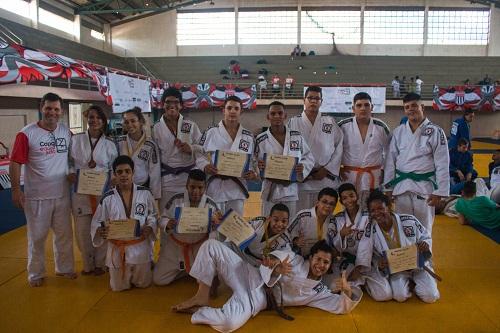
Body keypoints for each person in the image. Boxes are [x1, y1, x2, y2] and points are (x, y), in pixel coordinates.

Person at [171, 239, 361, 333]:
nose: (321, 265)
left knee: (228, 324)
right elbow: (273, 259)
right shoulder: (294, 259)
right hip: (246, 274)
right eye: (318, 259)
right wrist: (276, 268)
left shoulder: (319, 291)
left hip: (257, 298)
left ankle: (199, 312)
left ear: (329, 267)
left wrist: (347, 290)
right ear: (310, 258)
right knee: (211, 245)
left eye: (326, 263)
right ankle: (201, 294)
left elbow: (342, 306)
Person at [9, 92, 76, 287]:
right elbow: (15, 162)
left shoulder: (66, 132)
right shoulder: (27, 133)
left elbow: (72, 158)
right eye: (48, 108)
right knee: (37, 238)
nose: (52, 113)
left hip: (62, 194)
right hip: (37, 196)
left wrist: (72, 171)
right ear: (41, 108)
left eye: (56, 109)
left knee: (64, 236)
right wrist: (15, 190)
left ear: (61, 111)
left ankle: (64, 268)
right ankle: (35, 273)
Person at [384, 93, 449, 236]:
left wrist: (440, 192)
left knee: (424, 229)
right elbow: (390, 162)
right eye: (407, 107)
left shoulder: (436, 131)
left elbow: (442, 163)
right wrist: (388, 188)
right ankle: (406, 259)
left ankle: (425, 258)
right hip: (402, 186)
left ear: (422, 107)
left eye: (414, 105)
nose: (410, 109)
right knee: (403, 228)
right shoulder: (398, 132)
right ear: (404, 110)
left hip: (424, 187)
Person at [357, 190, 439, 303]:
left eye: (381, 208)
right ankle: (411, 283)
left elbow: (426, 237)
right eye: (373, 210)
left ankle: (421, 280)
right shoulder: (371, 231)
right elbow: (372, 256)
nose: (377, 213)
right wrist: (379, 265)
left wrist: (425, 245)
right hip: (397, 270)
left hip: (418, 265)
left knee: (431, 297)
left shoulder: (409, 220)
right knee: (400, 296)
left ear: (389, 207)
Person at [91, 155, 157, 292]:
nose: (124, 175)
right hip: (117, 248)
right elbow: (97, 221)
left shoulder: (145, 193)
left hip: (140, 247)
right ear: (114, 174)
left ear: (133, 173)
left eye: (127, 171)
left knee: (143, 283)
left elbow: (153, 215)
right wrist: (99, 230)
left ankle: (144, 267)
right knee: (118, 287)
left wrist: (150, 226)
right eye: (119, 172)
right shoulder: (108, 198)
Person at [68, 105, 118, 276]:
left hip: (102, 191)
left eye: (98, 117)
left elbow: (114, 168)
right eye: (91, 117)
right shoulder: (76, 140)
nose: (94, 120)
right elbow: (68, 163)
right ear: (86, 119)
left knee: (102, 226)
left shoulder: (110, 144)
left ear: (104, 121)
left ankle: (101, 263)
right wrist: (69, 174)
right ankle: (87, 263)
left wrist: (113, 180)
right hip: (81, 192)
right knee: (82, 228)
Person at [153, 169, 221, 286]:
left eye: (200, 188)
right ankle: (187, 271)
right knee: (159, 280)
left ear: (205, 188)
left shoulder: (211, 204)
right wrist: (167, 223)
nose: (196, 191)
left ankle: (191, 269)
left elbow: (218, 229)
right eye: (192, 187)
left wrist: (215, 226)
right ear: (186, 186)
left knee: (204, 283)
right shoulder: (175, 200)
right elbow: (161, 219)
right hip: (175, 249)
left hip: (198, 249)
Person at [197, 96, 258, 215]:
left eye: (236, 108)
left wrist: (253, 173)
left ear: (241, 111)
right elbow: (199, 154)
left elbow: (253, 161)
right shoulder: (211, 132)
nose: (233, 111)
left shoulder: (248, 136)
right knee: (214, 228)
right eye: (229, 108)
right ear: (223, 110)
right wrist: (205, 166)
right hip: (214, 188)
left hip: (237, 189)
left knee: (233, 229)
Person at [288, 86, 343, 211]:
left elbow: (339, 147)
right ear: (304, 100)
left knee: (324, 218)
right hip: (302, 179)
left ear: (321, 102)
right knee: (300, 217)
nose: (313, 101)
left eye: (317, 99)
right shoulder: (293, 122)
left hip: (324, 178)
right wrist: (297, 170)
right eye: (310, 98)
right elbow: (287, 149)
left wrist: (327, 169)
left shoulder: (329, 122)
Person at [256, 101, 314, 217]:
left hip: (290, 190)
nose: (277, 116)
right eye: (273, 113)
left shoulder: (296, 136)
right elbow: (254, 161)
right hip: (270, 190)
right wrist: (258, 167)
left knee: (289, 224)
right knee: (268, 224)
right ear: (268, 117)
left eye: (280, 113)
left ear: (285, 116)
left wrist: (302, 166)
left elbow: (309, 157)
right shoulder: (260, 139)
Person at [152, 87, 202, 212]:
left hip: (188, 179)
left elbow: (203, 147)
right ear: (163, 105)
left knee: (188, 216)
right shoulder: (156, 128)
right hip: (167, 179)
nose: (172, 105)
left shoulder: (191, 125)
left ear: (181, 105)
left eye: (176, 102)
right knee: (167, 214)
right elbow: (154, 158)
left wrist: (191, 148)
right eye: (168, 102)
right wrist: (154, 186)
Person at [339, 92, 390, 205]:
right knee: (350, 208)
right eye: (359, 105)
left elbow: (389, 152)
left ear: (372, 107)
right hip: (349, 175)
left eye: (367, 105)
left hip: (374, 175)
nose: (363, 108)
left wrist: (384, 170)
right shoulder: (343, 126)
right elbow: (333, 150)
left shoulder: (381, 127)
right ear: (353, 108)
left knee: (373, 209)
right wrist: (337, 168)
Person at [325, 183, 370, 286]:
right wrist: (341, 234)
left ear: (357, 196)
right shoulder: (337, 218)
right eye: (344, 198)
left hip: (367, 261)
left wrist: (360, 266)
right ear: (341, 202)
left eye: (351, 195)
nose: (349, 200)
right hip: (347, 260)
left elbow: (369, 242)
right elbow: (336, 248)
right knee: (333, 285)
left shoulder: (368, 215)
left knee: (382, 293)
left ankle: (360, 278)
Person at [116, 107, 161, 200]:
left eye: (133, 121)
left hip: (142, 188)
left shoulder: (150, 145)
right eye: (126, 122)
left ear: (140, 122)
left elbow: (155, 172)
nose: (130, 124)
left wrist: (154, 196)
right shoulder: (119, 142)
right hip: (121, 188)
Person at [287, 187, 338, 257]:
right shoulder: (303, 215)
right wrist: (296, 241)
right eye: (324, 202)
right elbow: (287, 232)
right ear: (317, 202)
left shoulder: (333, 221)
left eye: (331, 204)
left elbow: (334, 242)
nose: (327, 206)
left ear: (335, 207)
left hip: (322, 260)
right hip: (301, 257)